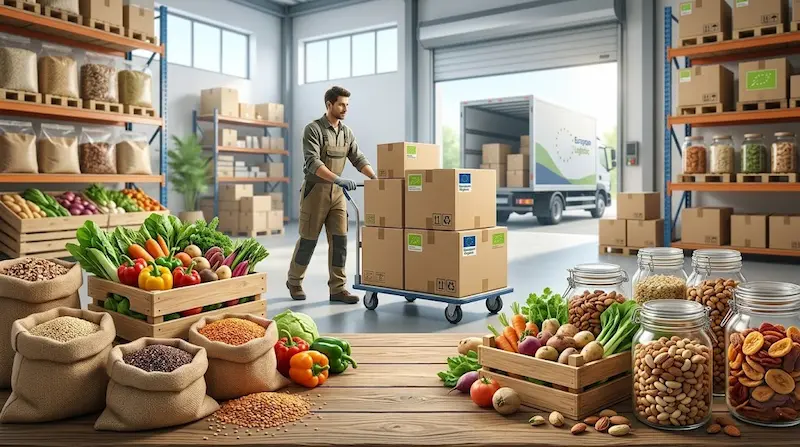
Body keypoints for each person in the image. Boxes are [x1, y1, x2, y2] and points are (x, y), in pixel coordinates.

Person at [286, 86, 376, 304]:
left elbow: (358, 158)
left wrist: (376, 179)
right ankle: (294, 281)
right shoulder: (313, 129)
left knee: (340, 241)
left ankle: (338, 289)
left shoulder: (346, 132)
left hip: (337, 194)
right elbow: (313, 162)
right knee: (308, 240)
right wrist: (337, 178)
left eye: (347, 105)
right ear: (329, 105)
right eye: (341, 104)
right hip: (315, 191)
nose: (345, 109)